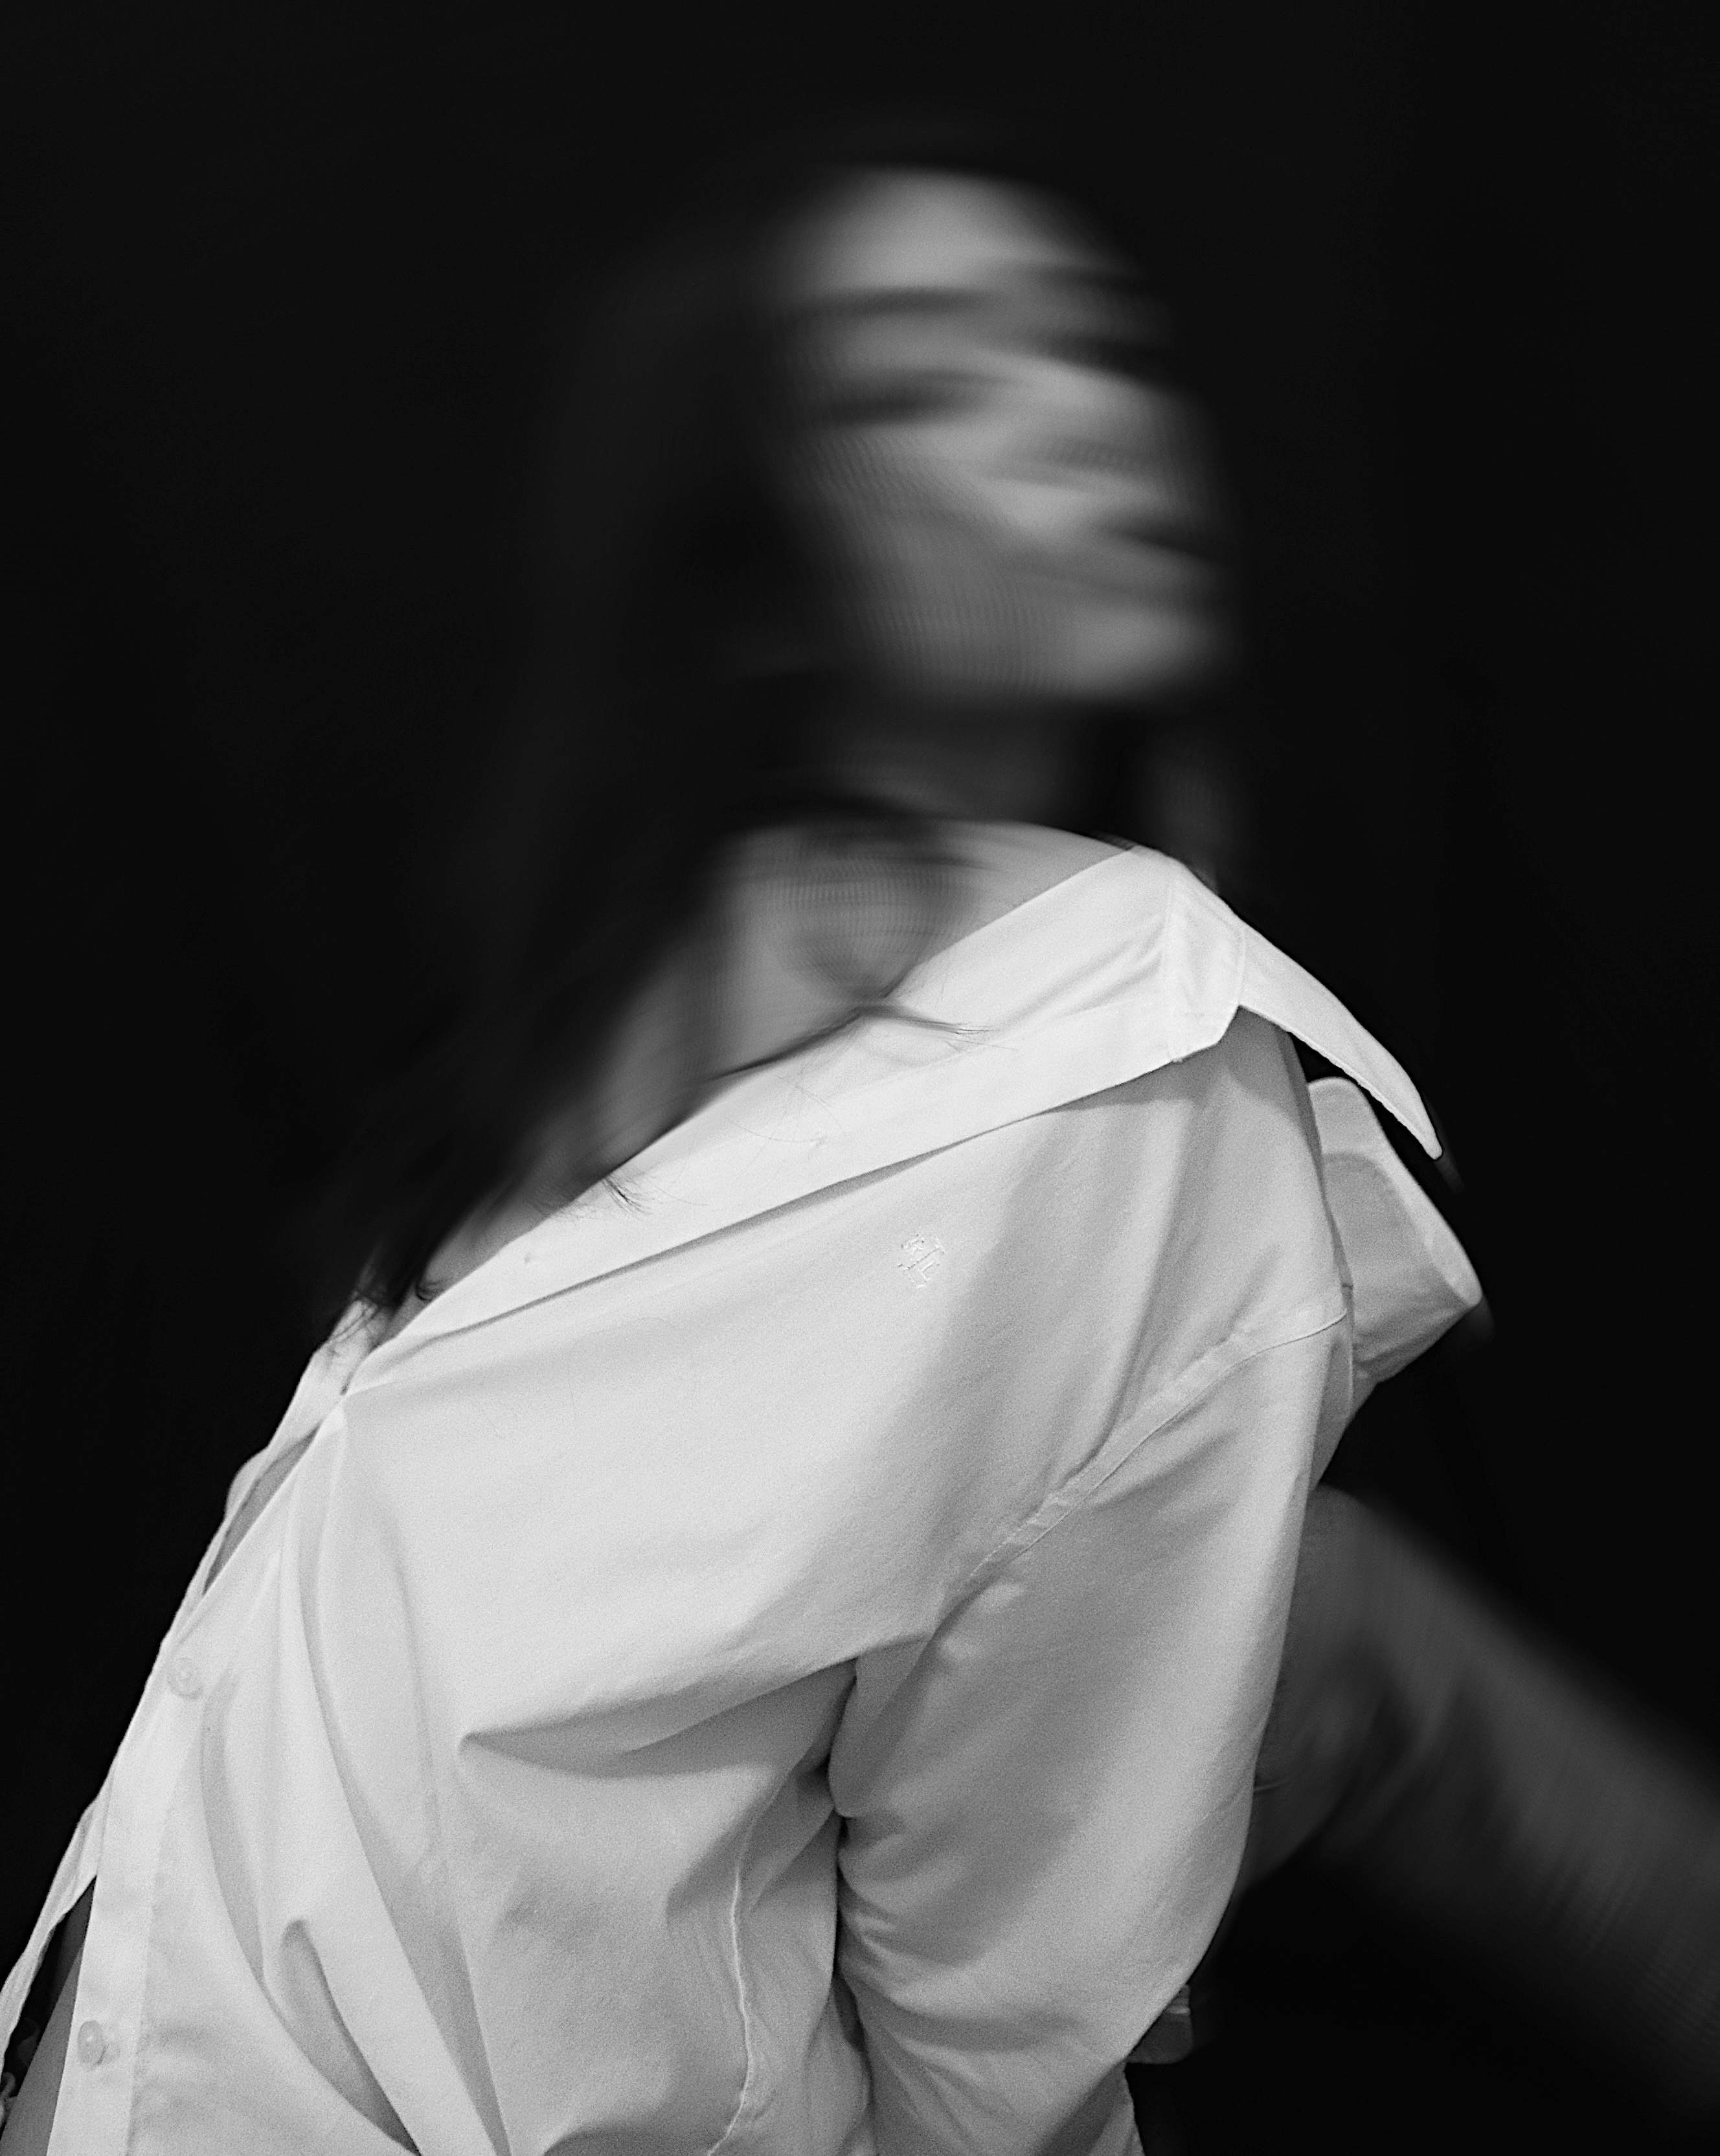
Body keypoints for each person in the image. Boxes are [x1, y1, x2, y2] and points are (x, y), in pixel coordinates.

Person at [1, 108, 1714, 2155]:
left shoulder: (1122, 1064)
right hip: (121, 2061)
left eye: (1089, 346)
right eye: (926, 385)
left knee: (1349, 1646)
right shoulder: (674, 1015)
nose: (1082, 417)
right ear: (755, 568)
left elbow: (994, 2026)